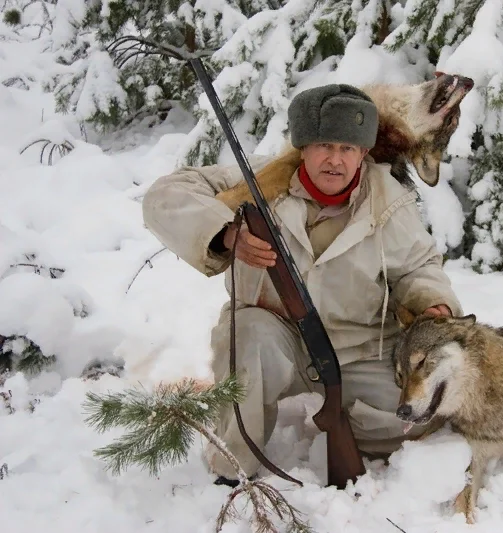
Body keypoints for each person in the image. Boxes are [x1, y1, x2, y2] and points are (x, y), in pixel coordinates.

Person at [141, 83, 463, 486]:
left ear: (364, 153)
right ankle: (233, 466)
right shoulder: (256, 183)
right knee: (247, 335)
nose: (335, 160)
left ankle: (344, 419)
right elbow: (164, 196)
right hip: (277, 340)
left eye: (347, 148)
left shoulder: (390, 202)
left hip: (358, 347)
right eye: (323, 145)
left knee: (417, 416)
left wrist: (435, 305)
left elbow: (418, 268)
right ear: (301, 148)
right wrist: (224, 234)